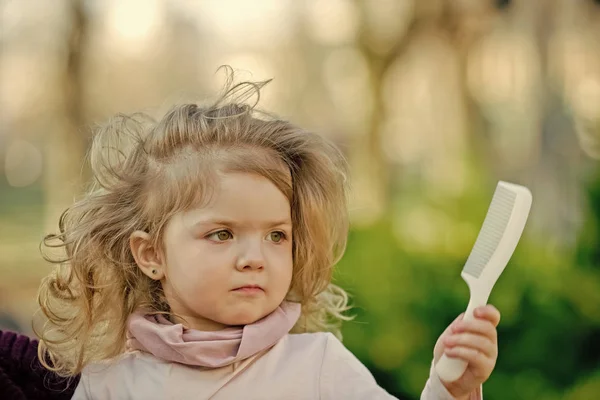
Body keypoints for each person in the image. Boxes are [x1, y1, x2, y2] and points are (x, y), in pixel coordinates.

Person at [35, 68, 500, 399]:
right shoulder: (112, 384)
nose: (254, 258)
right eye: (221, 234)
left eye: (277, 236)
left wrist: (452, 390)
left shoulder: (318, 366)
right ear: (151, 252)